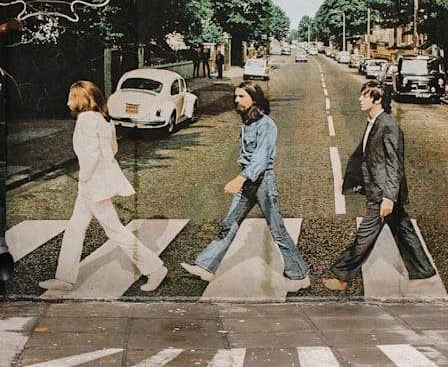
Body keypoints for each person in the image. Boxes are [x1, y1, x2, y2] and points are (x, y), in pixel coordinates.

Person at [40, 81, 168, 292]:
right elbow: (113, 148)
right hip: (95, 182)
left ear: (82, 99)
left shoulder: (87, 120)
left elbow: (91, 154)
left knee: (115, 230)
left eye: (72, 98)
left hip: (93, 184)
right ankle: (64, 278)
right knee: (75, 228)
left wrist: (84, 178)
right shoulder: (102, 118)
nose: (67, 102)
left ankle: (154, 269)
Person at [181, 82, 309, 289]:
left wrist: (240, 178)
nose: (236, 100)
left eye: (241, 96)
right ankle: (205, 266)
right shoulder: (248, 122)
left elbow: (260, 158)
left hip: (263, 183)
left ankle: (300, 275)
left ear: (254, 99)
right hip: (249, 183)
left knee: (278, 231)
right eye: (236, 96)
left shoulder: (266, 125)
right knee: (229, 223)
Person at [323, 81, 436, 290]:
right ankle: (423, 271)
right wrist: (348, 181)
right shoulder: (373, 122)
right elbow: (363, 157)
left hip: (382, 193)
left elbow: (395, 165)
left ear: (377, 100)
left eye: (365, 95)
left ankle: (342, 276)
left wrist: (388, 198)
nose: (360, 99)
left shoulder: (388, 126)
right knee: (404, 231)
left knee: (364, 236)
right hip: (380, 190)